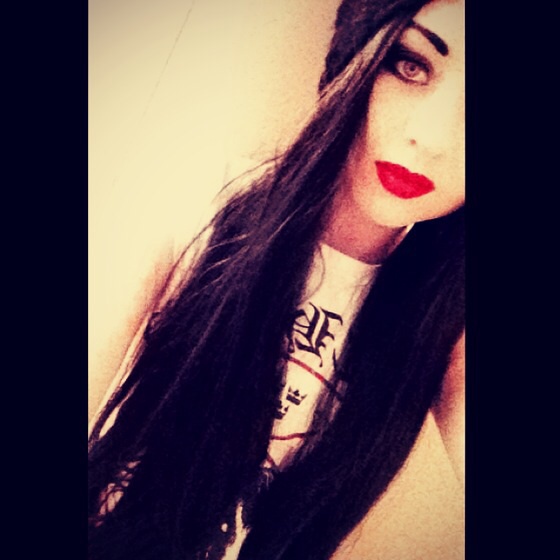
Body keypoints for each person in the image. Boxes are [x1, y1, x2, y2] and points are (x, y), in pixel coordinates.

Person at [88, 0, 465, 558]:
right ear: (358, 59)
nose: (431, 137)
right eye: (410, 65)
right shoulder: (201, 204)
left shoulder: (442, 325)